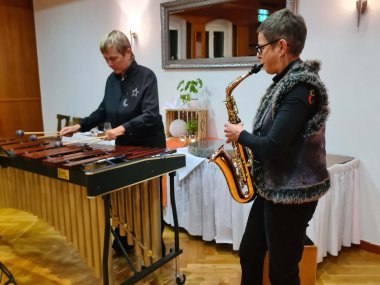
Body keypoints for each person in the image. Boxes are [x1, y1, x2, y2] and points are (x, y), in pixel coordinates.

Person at [223, 9, 330, 285]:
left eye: (261, 47)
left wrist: (240, 135)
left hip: (292, 195)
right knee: (250, 251)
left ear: (281, 46)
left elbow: (272, 146)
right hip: (275, 188)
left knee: (282, 272)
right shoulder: (286, 82)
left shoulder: (299, 88)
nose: (258, 55)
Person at [60, 30, 166, 255]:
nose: (109, 64)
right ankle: (124, 240)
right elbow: (103, 111)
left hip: (148, 147)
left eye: (113, 58)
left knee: (147, 198)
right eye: (106, 59)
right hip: (123, 147)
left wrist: (122, 128)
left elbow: (150, 114)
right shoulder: (111, 81)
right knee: (122, 192)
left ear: (128, 52)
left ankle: (154, 241)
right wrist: (80, 126)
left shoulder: (147, 77)